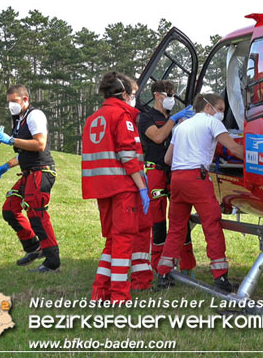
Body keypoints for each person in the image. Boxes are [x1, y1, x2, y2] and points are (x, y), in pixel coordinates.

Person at [156, 93, 244, 292]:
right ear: (208, 107)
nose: (221, 114)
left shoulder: (180, 127)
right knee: (211, 225)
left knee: (177, 227)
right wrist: (259, 159)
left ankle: (163, 273)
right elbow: (233, 148)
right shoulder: (212, 123)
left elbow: (168, 159)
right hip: (197, 179)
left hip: (177, 179)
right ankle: (221, 278)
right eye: (220, 109)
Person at [82, 71, 153, 301]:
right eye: (133, 94)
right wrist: (142, 186)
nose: (134, 98)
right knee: (123, 240)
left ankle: (99, 291)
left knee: (112, 240)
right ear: (124, 94)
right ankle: (119, 295)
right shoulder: (122, 116)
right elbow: (128, 155)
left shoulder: (94, 118)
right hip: (123, 187)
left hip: (102, 188)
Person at [0, 84, 60, 273]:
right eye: (9, 102)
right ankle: (33, 247)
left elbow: (39, 144)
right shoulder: (19, 120)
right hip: (28, 171)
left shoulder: (35, 116)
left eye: (14, 101)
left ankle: (52, 261)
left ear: (25, 100)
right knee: (10, 209)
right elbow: (24, 153)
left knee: (37, 214)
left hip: (41, 171)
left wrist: (11, 140)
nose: (11, 105)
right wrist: (7, 165)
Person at [137, 80, 196, 279]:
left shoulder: (173, 119)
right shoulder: (146, 118)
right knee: (158, 219)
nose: (172, 98)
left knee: (181, 218)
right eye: (169, 95)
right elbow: (158, 137)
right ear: (157, 96)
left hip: (176, 171)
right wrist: (175, 120)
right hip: (156, 171)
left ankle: (187, 264)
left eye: (173, 94)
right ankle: (159, 266)